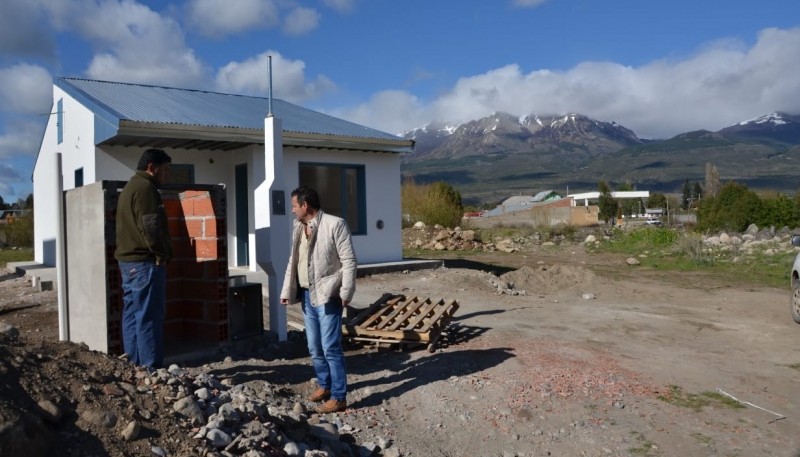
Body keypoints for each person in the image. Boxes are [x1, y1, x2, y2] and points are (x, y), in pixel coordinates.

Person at [280, 186, 357, 414]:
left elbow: (349, 261)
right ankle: (325, 385)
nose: (292, 210)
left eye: (294, 206)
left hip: (327, 294)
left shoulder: (335, 224)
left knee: (330, 346)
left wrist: (346, 292)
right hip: (306, 294)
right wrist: (286, 290)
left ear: (305, 206)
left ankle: (339, 396)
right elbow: (292, 261)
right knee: (314, 347)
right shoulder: (298, 227)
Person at [115, 148, 173, 370]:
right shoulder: (146, 188)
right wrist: (161, 254)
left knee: (132, 313)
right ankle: (151, 368)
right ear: (151, 168)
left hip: (128, 262)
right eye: (165, 170)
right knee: (149, 316)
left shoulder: (130, 187)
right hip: (144, 263)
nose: (166, 175)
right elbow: (150, 227)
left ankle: (135, 365)